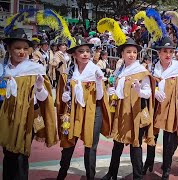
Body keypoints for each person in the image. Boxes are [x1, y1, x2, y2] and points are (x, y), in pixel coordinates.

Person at [0, 28, 57, 180]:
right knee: (8, 154)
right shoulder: (3, 70)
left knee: (20, 155)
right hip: (6, 117)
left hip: (27, 119)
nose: (22, 52)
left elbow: (44, 98)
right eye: (17, 48)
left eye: (25, 48)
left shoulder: (35, 69)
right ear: (9, 49)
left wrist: (39, 87)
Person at [143, 37, 178, 179]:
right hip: (155, 106)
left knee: (168, 140)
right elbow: (148, 86)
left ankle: (166, 168)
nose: (168, 54)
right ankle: (149, 161)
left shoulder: (176, 68)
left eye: (170, 51)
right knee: (153, 136)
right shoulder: (152, 68)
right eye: (165, 51)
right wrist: (155, 91)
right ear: (159, 53)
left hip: (170, 108)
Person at [55, 36, 111, 180]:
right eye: (81, 51)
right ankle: (62, 174)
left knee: (90, 146)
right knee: (68, 144)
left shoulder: (95, 71)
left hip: (93, 111)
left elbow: (99, 98)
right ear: (74, 54)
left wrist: (99, 82)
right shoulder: (68, 73)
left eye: (87, 51)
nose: (85, 54)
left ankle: (90, 176)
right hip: (72, 112)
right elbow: (62, 97)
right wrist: (65, 97)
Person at [102, 38, 155, 180]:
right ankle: (111, 173)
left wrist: (139, 91)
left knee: (135, 146)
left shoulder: (141, 71)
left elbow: (148, 93)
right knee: (117, 144)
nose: (132, 55)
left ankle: (137, 176)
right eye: (128, 52)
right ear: (122, 54)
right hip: (121, 111)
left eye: (134, 52)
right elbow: (113, 86)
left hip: (136, 113)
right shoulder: (120, 71)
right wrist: (111, 91)